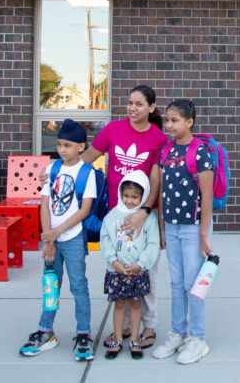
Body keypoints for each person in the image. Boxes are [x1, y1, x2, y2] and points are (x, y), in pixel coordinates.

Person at [40, 84, 168, 348]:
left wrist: (146, 211)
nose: (132, 108)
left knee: (146, 271)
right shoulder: (113, 130)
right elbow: (84, 158)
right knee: (119, 270)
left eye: (139, 104)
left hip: (143, 216)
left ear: (151, 108)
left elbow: (156, 180)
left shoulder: (158, 138)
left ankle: (149, 326)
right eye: (130, 102)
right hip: (116, 215)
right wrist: (57, 170)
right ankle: (122, 327)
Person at [19, 118, 96, 361]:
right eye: (59, 144)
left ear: (81, 147)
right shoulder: (52, 169)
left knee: (78, 286)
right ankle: (46, 330)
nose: (62, 149)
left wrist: (57, 232)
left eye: (67, 145)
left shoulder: (87, 172)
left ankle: (83, 332)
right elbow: (44, 204)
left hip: (72, 238)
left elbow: (84, 210)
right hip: (52, 240)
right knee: (51, 284)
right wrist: (48, 238)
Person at [151, 99, 215, 365]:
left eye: (175, 120)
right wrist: (163, 227)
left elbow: (207, 196)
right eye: (167, 120)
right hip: (173, 226)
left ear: (189, 122)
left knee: (193, 285)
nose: (169, 125)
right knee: (177, 283)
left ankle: (197, 338)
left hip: (193, 228)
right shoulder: (166, 151)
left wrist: (203, 235)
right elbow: (164, 193)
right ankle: (177, 333)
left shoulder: (200, 152)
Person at [100, 169, 160, 359]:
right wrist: (113, 261)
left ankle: (134, 339)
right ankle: (118, 339)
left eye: (135, 197)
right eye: (126, 195)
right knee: (119, 305)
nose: (129, 200)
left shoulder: (148, 219)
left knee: (136, 305)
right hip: (117, 271)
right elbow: (105, 239)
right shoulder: (112, 216)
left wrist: (141, 264)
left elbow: (153, 244)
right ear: (120, 193)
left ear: (143, 197)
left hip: (137, 272)